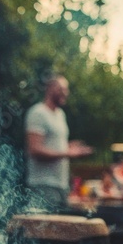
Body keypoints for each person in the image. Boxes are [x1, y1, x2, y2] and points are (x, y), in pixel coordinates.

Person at [24, 75, 93, 210]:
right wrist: (68, 153)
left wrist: (70, 147)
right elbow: (34, 149)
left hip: (61, 185)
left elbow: (55, 146)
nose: (65, 93)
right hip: (43, 186)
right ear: (50, 88)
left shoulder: (60, 114)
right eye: (61, 89)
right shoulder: (38, 113)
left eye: (66, 90)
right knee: (45, 230)